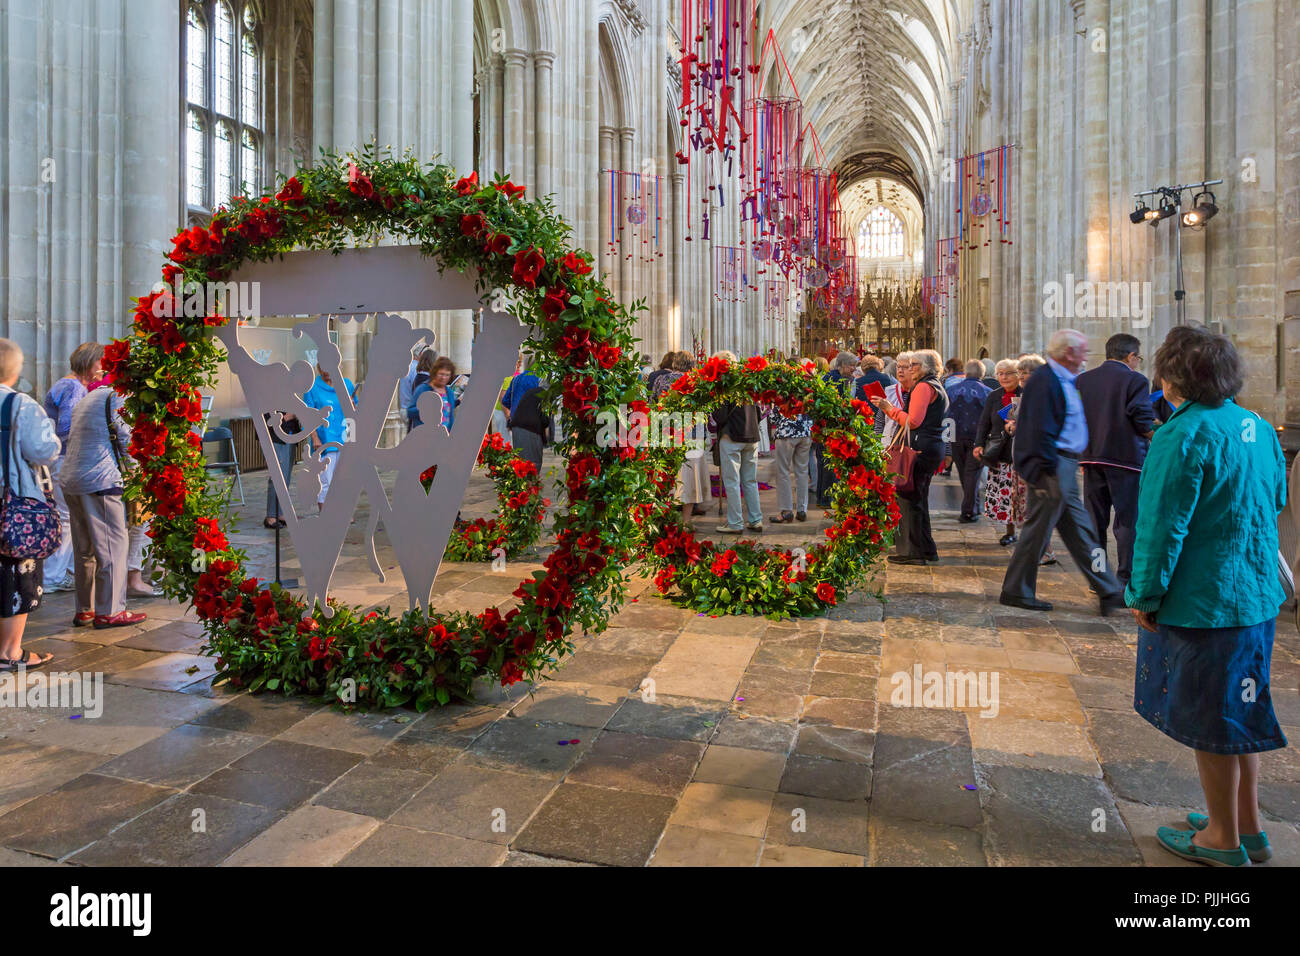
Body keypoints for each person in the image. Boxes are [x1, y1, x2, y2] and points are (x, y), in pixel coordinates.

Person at [1126, 325, 1287, 867]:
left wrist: (1145, 596)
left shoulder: (1182, 433)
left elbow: (1161, 527)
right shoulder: (1257, 426)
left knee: (1211, 718)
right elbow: (1280, 498)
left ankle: (1221, 838)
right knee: (1241, 709)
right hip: (1257, 593)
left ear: (1174, 376)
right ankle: (1249, 826)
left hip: (1205, 600)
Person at [999, 330, 1123, 613]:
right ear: (1069, 353)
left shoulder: (1062, 379)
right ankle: (1016, 590)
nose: (1086, 357)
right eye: (1083, 352)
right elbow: (1036, 430)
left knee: (1080, 531)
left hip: (1063, 465)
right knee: (1037, 531)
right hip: (1051, 466)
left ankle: (1107, 587)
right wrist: (1042, 472)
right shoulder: (1045, 380)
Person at [60, 379, 147, 629]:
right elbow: (128, 440)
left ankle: (85, 609)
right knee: (113, 547)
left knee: (84, 549)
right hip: (101, 479)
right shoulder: (118, 397)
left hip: (72, 479)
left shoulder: (86, 399)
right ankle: (111, 611)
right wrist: (138, 479)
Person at [0, 339, 62, 668]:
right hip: (13, 504)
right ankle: (9, 652)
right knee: (18, 571)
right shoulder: (20, 405)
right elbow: (44, 451)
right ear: (14, 371)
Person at [1075, 333, 1154, 586]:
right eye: (1138, 358)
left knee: (1095, 522)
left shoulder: (1084, 380)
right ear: (1130, 356)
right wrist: (1158, 435)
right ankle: (1125, 577)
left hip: (1091, 458)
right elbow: (1141, 419)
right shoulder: (1136, 380)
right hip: (1126, 460)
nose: (1137, 363)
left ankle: (1098, 578)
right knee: (1127, 523)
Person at [872, 349, 949, 565]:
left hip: (919, 449)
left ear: (925, 367)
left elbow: (913, 421)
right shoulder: (935, 385)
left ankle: (914, 553)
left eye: (914, 364)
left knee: (911, 500)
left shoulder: (923, 387)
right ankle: (927, 549)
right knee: (919, 499)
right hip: (931, 446)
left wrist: (888, 409)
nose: (910, 368)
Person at [41, 341, 102, 593]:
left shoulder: (67, 384)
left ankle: (63, 571)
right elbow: (67, 427)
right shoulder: (74, 387)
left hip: (62, 459)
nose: (102, 369)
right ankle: (54, 575)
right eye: (100, 363)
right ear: (89, 363)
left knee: (68, 516)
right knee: (66, 517)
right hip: (67, 458)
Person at [975, 359, 1025, 546]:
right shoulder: (994, 396)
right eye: (1000, 374)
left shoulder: (1025, 394)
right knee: (1005, 495)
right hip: (999, 451)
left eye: (1008, 373)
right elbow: (984, 422)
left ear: (1018, 375)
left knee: (1020, 495)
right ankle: (1009, 530)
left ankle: (1027, 532)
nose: (1003, 377)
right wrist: (978, 444)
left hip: (1020, 451)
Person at [711, 351, 762, 534]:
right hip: (751, 436)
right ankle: (756, 520)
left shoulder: (724, 384)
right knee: (750, 480)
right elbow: (758, 412)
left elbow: (721, 415)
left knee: (732, 481)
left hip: (731, 436)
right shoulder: (748, 381)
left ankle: (735, 523)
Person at [656, 353, 709, 522]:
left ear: (675, 363)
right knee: (690, 479)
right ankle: (686, 522)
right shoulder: (698, 382)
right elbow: (704, 411)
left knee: (667, 476)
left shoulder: (661, 380)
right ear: (692, 365)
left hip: (667, 432)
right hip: (693, 435)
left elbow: (654, 403)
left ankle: (667, 518)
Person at [304, 363, 358, 510]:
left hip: (344, 438)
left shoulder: (346, 384)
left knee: (345, 480)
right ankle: (325, 516)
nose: (327, 371)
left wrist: (353, 407)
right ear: (318, 367)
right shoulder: (312, 387)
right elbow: (308, 415)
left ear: (338, 365)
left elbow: (355, 414)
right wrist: (315, 438)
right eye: (323, 368)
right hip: (324, 441)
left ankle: (344, 514)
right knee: (325, 481)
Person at [948, 360, 992, 522]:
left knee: (963, 472)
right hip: (978, 439)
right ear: (982, 374)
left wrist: (947, 441)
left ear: (965, 373)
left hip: (956, 437)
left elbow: (946, 417)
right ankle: (969, 511)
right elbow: (994, 416)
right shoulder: (988, 392)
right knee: (972, 474)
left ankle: (973, 507)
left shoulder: (951, 390)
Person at [768, 399, 812, 524]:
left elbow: (773, 418)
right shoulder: (808, 390)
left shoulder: (784, 392)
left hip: (786, 433)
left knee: (783, 472)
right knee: (802, 472)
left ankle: (786, 511)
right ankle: (802, 510)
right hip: (805, 433)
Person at [263, 407, 300, 529]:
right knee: (277, 475)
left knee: (286, 475)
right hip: (275, 433)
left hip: (289, 431)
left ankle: (280, 512)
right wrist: (288, 416)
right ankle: (271, 516)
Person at [409, 356, 458, 430]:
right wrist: (426, 408)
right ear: (435, 373)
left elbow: (450, 417)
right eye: (441, 374)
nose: (443, 378)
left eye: (447, 375)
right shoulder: (423, 389)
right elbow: (410, 412)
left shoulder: (449, 392)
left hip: (444, 435)